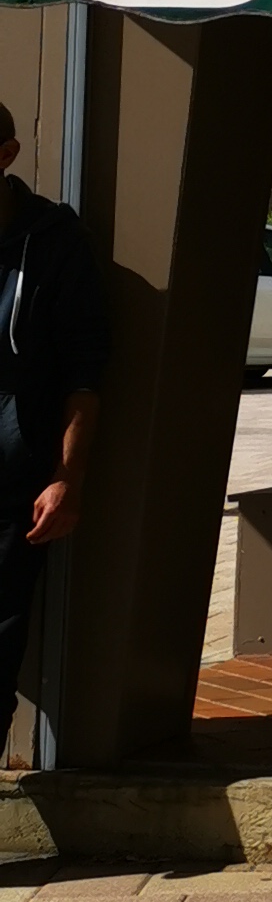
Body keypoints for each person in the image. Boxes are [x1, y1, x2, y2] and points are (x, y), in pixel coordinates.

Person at [0, 100, 109, 756]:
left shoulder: (53, 243)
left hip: (12, 481)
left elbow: (85, 373)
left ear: (6, 155)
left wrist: (67, 476)